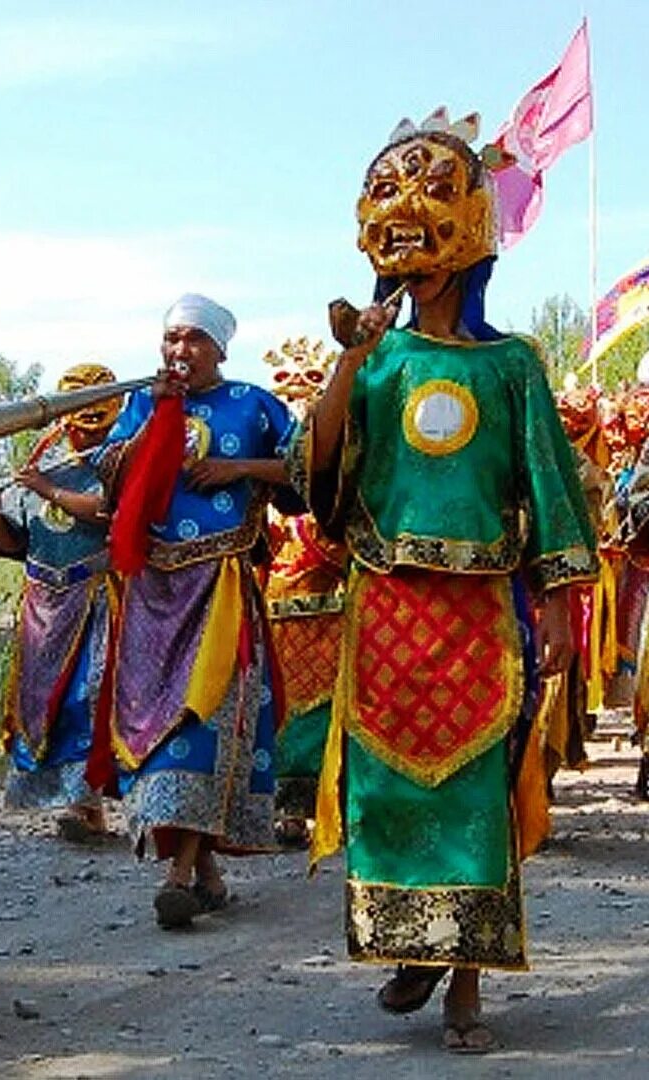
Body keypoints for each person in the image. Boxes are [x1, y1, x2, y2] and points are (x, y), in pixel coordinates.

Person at [305, 112, 598, 1052]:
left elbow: (547, 486)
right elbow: (321, 470)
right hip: (386, 607)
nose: (412, 262)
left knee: (474, 789)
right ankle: (413, 947)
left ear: (466, 245)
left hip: (482, 611)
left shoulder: (512, 364)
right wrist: (353, 356)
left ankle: (467, 983)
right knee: (389, 789)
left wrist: (557, 602)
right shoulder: (377, 359)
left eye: (431, 242)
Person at [93, 293, 305, 929]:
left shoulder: (252, 404)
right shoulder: (141, 403)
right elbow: (108, 479)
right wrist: (157, 421)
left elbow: (307, 469)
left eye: (192, 340)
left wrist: (237, 466)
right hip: (153, 590)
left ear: (219, 349)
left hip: (220, 587)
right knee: (158, 731)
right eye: (171, 340)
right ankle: (205, 875)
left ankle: (179, 873)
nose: (179, 351)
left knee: (205, 720)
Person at [0, 363, 122, 841]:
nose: (83, 431)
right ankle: (70, 802)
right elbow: (13, 542)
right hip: (42, 604)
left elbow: (108, 512)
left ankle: (86, 802)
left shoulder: (117, 463)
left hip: (93, 599)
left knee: (88, 695)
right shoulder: (45, 467)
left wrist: (46, 488)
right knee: (42, 703)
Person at [262, 339, 347, 848]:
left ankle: (330, 803)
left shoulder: (338, 456)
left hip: (332, 604)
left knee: (327, 710)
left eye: (308, 387)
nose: (297, 397)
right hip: (275, 605)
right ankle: (287, 811)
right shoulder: (265, 461)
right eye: (288, 389)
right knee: (282, 710)